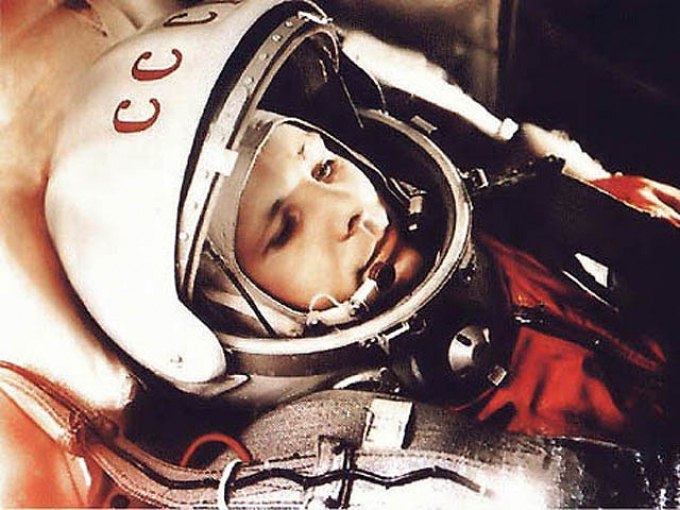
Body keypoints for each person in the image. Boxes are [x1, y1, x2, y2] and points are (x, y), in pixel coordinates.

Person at [0, 0, 677, 506]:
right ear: (216, 324)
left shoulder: (550, 216)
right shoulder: (357, 476)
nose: (346, 208)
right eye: (285, 228)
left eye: (323, 166)